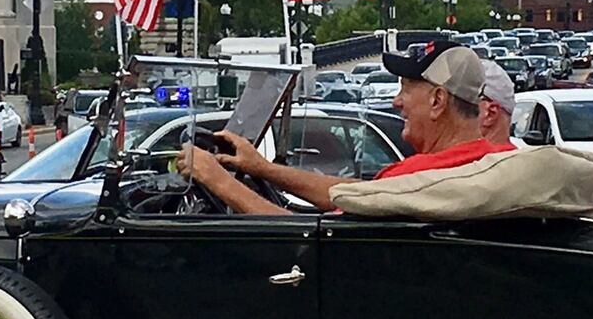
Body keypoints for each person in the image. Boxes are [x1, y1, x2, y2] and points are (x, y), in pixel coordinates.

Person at [180, 41, 517, 215]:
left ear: (437, 101)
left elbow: (308, 234)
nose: (397, 102)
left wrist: (216, 179)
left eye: (405, 89)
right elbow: (355, 194)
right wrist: (263, 169)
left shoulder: (419, 175)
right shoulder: (491, 159)